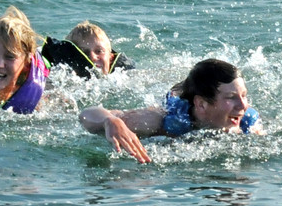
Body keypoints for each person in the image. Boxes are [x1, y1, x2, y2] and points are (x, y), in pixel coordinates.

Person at [78, 58, 262, 163]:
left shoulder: (247, 123)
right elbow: (86, 114)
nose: (243, 106)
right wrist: (110, 121)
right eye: (231, 97)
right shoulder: (159, 120)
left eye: (244, 95)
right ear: (201, 104)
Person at [42, 21, 135, 77]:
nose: (93, 57)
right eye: (84, 53)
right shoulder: (62, 81)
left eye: (99, 51)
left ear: (111, 57)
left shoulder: (126, 79)